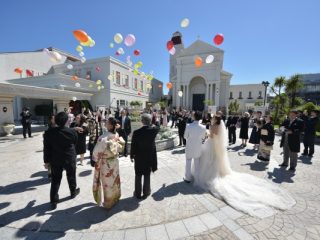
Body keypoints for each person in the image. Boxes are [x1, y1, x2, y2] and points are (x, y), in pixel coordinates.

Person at [194, 115, 295, 218]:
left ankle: (212, 174)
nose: (211, 119)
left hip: (212, 145)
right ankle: (219, 171)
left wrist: (206, 132)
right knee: (214, 161)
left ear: (215, 120)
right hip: (214, 146)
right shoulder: (218, 125)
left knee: (210, 161)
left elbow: (213, 135)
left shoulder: (214, 126)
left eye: (213, 118)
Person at [43, 112, 80, 210]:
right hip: (69, 157)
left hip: (55, 159)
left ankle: (53, 200)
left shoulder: (49, 133)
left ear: (55, 120)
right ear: (67, 121)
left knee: (55, 179)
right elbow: (75, 143)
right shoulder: (72, 132)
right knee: (71, 175)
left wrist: (46, 161)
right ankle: (73, 192)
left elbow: (46, 148)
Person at [92, 117, 125, 208]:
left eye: (107, 122)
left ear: (110, 125)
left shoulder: (103, 138)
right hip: (115, 161)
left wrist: (94, 160)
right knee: (115, 180)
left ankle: (109, 203)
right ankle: (116, 198)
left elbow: (96, 153)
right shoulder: (116, 134)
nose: (105, 123)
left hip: (106, 164)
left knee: (107, 184)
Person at [130, 114, 159, 199]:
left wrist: (131, 156)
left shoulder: (136, 132)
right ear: (150, 121)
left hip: (139, 157)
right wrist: (156, 119)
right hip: (149, 157)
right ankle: (146, 192)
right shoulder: (153, 130)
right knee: (147, 174)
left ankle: (137, 193)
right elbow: (158, 126)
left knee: (138, 175)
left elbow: (133, 146)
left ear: (142, 121)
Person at [183, 111, 207, 183]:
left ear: (194, 117)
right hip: (198, 147)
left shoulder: (188, 126)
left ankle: (187, 178)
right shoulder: (203, 127)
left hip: (190, 146)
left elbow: (185, 136)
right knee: (197, 163)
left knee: (188, 162)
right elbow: (203, 137)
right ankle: (197, 178)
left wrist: (190, 139)